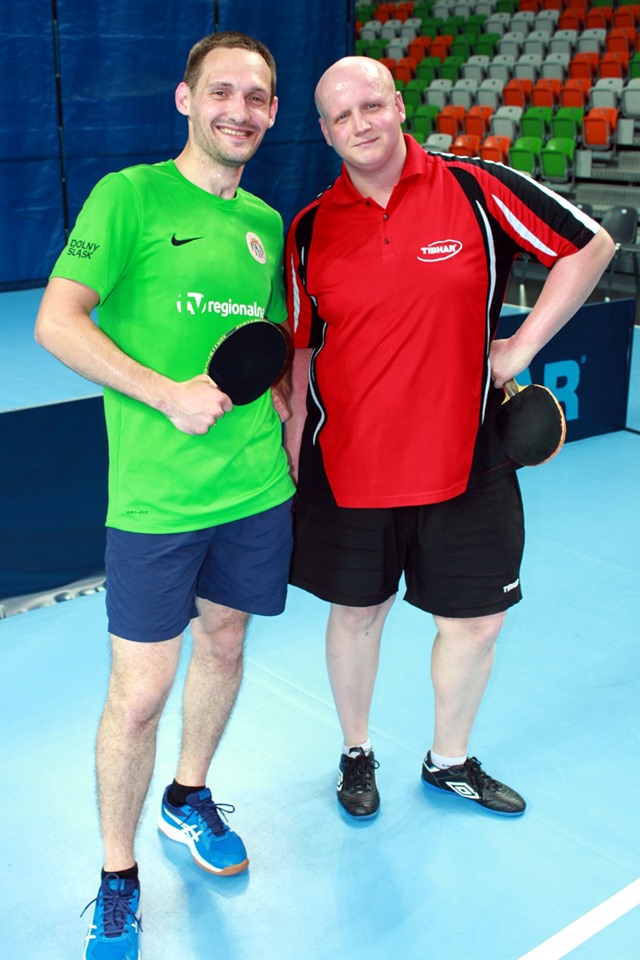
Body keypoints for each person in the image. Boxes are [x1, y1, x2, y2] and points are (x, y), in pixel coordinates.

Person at [284, 56, 614, 822]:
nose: (360, 124)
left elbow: (589, 245)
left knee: (476, 622)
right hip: (351, 465)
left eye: (372, 105)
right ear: (326, 132)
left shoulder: (477, 187)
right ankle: (356, 752)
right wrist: (295, 454)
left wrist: (521, 347)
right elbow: (301, 353)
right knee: (357, 614)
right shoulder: (309, 229)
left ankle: (450, 759)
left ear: (398, 106)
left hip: (466, 456)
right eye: (341, 115)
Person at [35, 31, 295, 959]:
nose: (239, 110)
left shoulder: (266, 221)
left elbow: (271, 347)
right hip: (155, 502)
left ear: (273, 112)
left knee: (225, 644)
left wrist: (288, 437)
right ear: (186, 100)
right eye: (221, 91)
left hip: (254, 488)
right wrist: (162, 393)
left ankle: (188, 799)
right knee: (139, 695)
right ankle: (118, 876)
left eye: (256, 97)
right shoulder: (130, 196)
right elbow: (56, 320)